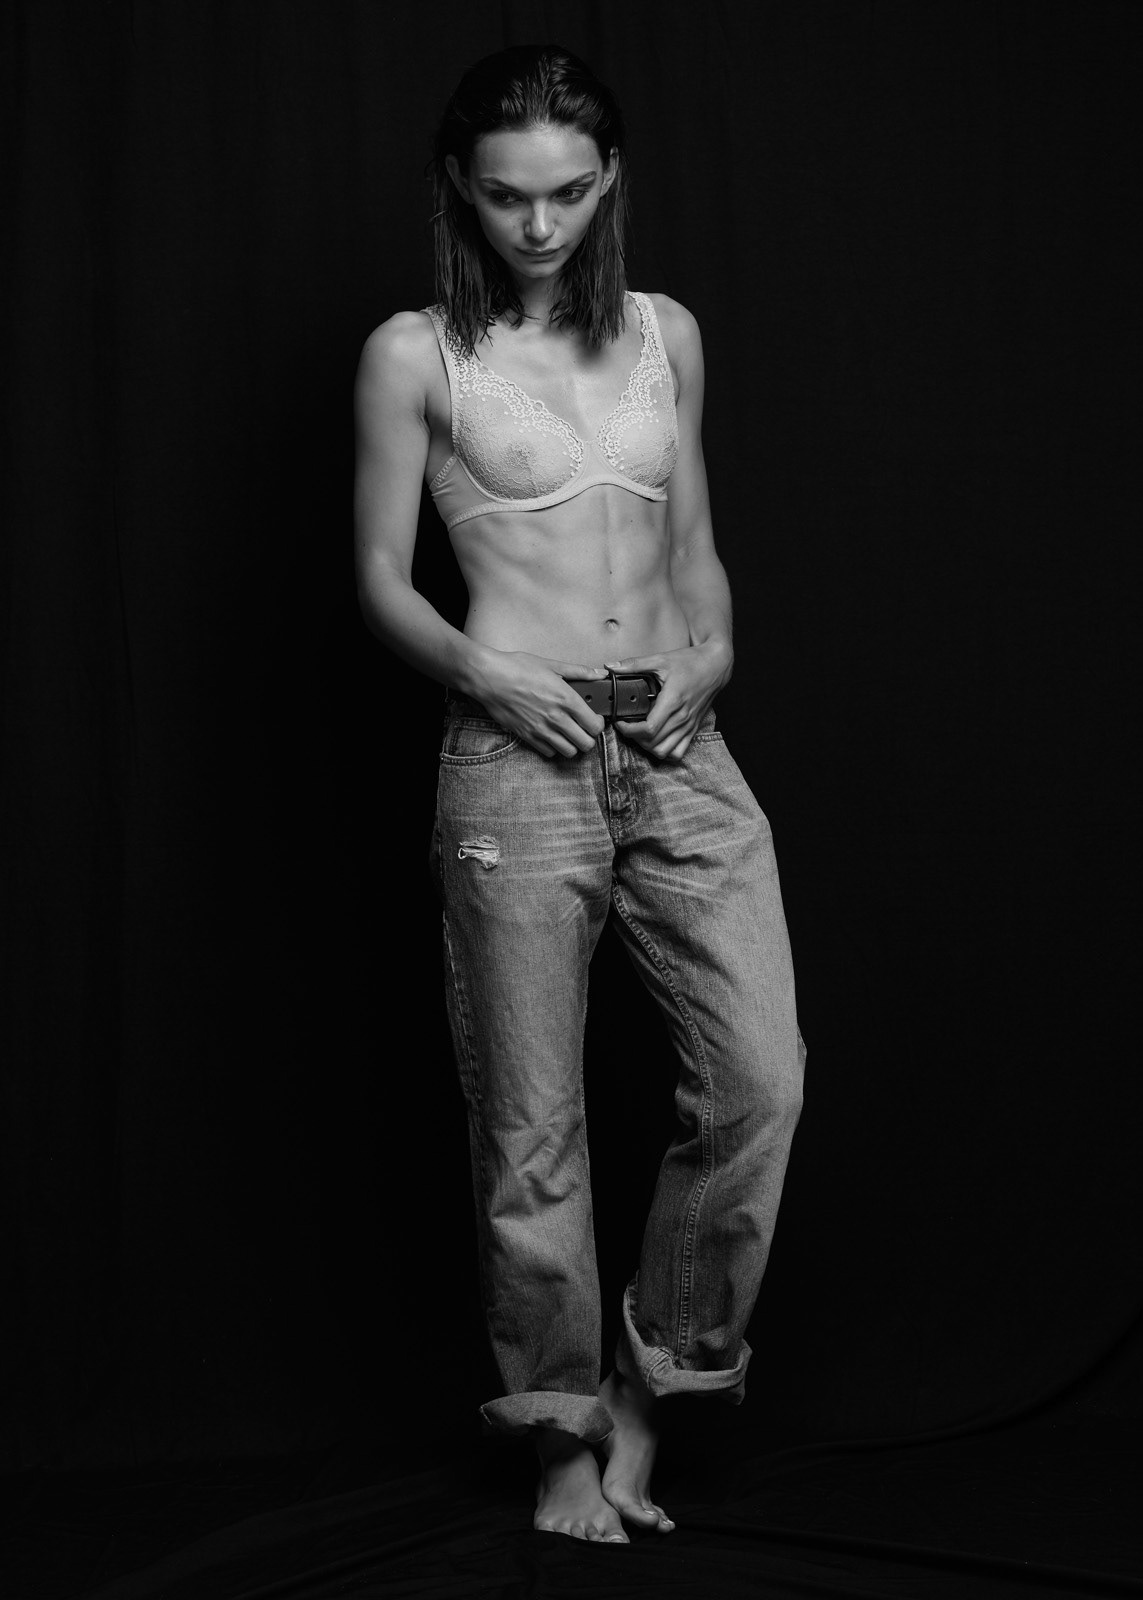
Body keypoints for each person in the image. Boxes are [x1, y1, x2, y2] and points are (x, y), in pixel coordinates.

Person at [354, 43, 805, 1544]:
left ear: (608, 181)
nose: (537, 226)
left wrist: (716, 654)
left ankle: (654, 1383)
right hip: (517, 758)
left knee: (759, 1081)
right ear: (459, 189)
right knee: (531, 1128)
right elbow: (378, 576)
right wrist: (485, 676)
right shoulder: (415, 353)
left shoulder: (668, 333)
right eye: (504, 197)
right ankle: (559, 1437)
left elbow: (695, 549)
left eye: (565, 193)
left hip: (679, 749)